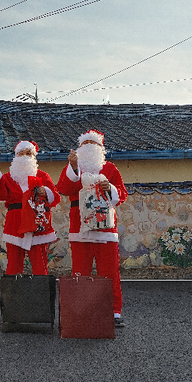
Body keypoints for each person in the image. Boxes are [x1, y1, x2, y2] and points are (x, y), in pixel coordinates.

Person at [56, 129, 128, 328]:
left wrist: (111, 189)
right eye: (85, 143)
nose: (89, 147)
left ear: (100, 147)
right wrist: (72, 167)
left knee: (110, 272)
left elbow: (122, 193)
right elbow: (63, 189)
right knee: (80, 271)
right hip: (79, 228)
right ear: (79, 147)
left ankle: (113, 312)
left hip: (106, 229)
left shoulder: (111, 168)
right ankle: (81, 311)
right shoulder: (72, 169)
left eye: (93, 143)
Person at [0, 141, 61, 275]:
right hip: (15, 222)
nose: (25, 157)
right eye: (21, 154)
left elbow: (55, 197)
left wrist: (46, 192)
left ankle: (41, 293)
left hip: (37, 222)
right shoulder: (8, 177)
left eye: (28, 153)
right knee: (13, 263)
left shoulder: (43, 176)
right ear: (16, 156)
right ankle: (13, 295)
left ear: (34, 156)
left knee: (40, 262)